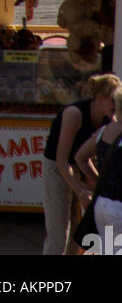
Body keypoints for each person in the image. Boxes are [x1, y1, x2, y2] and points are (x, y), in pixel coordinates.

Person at [42, 74, 120, 255]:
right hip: (56, 166)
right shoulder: (74, 114)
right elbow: (63, 159)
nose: (115, 106)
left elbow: (83, 157)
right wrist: (80, 191)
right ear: (100, 96)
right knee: (59, 231)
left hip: (76, 166)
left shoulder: (108, 120)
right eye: (111, 100)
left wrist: (96, 181)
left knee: (79, 232)